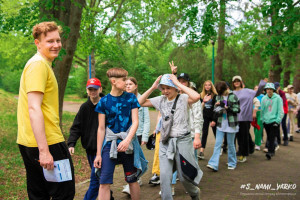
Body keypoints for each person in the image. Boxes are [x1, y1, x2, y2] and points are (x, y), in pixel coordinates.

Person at [17, 21, 75, 199]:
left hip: (29, 141)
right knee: (63, 194)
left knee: (39, 194)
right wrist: (44, 151)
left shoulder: (40, 64)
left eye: (58, 40)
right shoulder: (38, 65)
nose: (56, 45)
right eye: (50, 41)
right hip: (47, 142)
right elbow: (34, 108)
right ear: (37, 43)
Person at [139, 74, 202, 200]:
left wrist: (178, 84)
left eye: (168, 88)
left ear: (175, 88)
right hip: (166, 142)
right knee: (164, 177)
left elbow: (196, 96)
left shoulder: (183, 98)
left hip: (183, 141)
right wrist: (152, 87)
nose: (165, 91)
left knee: (184, 177)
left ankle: (194, 193)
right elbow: (139, 102)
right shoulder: (160, 99)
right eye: (163, 88)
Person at [94, 68, 148, 200]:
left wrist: (127, 140)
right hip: (110, 144)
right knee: (103, 182)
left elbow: (135, 122)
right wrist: (98, 154)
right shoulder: (104, 101)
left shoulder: (131, 98)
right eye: (123, 80)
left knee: (132, 179)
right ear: (113, 81)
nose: (126, 82)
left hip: (128, 144)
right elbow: (101, 129)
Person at [67, 78, 114, 200]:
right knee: (100, 178)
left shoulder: (106, 104)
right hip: (89, 149)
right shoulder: (84, 107)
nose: (93, 92)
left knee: (95, 179)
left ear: (100, 89)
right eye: (90, 89)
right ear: (87, 90)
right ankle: (109, 196)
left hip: (104, 149)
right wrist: (71, 143)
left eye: (95, 89)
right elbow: (76, 127)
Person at [122, 77, 150, 194]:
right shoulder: (122, 98)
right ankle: (134, 180)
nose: (128, 86)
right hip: (125, 135)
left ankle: (134, 181)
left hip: (137, 134)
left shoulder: (140, 99)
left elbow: (146, 119)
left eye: (130, 84)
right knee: (128, 159)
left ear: (136, 86)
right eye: (126, 84)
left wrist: (145, 136)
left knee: (135, 158)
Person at [206, 81, 240, 171]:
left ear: (226, 89)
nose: (221, 94)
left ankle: (232, 162)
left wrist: (226, 107)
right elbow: (215, 109)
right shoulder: (218, 96)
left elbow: (237, 109)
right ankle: (213, 164)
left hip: (231, 124)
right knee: (217, 144)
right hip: (221, 123)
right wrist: (216, 106)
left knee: (230, 144)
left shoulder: (233, 96)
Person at [232, 75, 265, 162]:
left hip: (245, 117)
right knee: (238, 136)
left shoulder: (247, 91)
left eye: (238, 81)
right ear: (233, 83)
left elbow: (257, 92)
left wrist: (262, 84)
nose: (236, 82)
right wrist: (221, 103)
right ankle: (243, 150)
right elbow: (227, 101)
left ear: (241, 82)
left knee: (244, 136)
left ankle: (244, 154)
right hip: (235, 117)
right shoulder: (231, 93)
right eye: (235, 81)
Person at [261, 83, 284, 160]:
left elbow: (280, 111)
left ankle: (270, 152)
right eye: (267, 89)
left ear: (273, 90)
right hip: (266, 121)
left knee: (271, 136)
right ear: (265, 90)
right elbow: (262, 110)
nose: (269, 91)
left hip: (274, 120)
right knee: (269, 136)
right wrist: (262, 119)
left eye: (270, 89)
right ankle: (272, 150)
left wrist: (277, 121)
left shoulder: (278, 98)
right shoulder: (264, 98)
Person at [198, 80, 218, 160]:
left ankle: (219, 148)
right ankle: (201, 151)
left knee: (216, 132)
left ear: (211, 86)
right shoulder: (201, 95)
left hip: (213, 116)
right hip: (205, 116)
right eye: (206, 85)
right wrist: (203, 102)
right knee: (204, 133)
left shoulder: (216, 95)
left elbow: (217, 108)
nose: (207, 86)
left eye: (209, 85)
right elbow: (200, 107)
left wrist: (214, 120)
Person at [252, 85, 264, 150]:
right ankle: (258, 139)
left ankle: (257, 144)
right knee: (255, 128)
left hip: (261, 112)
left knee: (259, 127)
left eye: (257, 89)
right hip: (254, 113)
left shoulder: (263, 97)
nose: (256, 90)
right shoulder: (252, 96)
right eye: (255, 88)